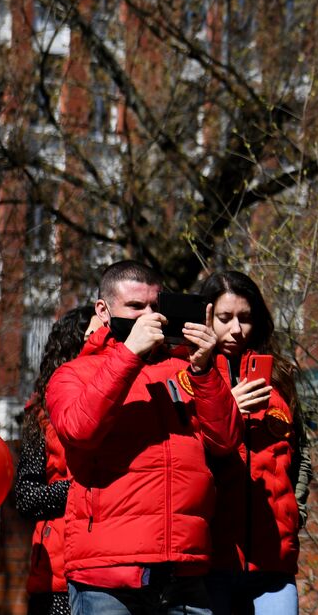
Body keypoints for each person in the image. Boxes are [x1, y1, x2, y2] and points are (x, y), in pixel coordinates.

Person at [45, 261, 239, 615]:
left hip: (183, 569)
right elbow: (79, 430)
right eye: (135, 307)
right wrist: (128, 354)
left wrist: (203, 369)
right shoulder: (73, 374)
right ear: (103, 310)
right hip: (108, 573)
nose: (149, 317)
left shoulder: (185, 369)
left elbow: (224, 441)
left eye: (155, 306)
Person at [198, 270, 310, 615]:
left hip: (273, 557)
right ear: (206, 318)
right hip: (211, 558)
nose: (236, 329)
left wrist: (295, 510)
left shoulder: (280, 376)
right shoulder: (188, 375)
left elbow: (301, 454)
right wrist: (224, 408)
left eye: (245, 318)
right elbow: (180, 453)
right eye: (224, 318)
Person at [13, 304, 101, 615]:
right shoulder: (42, 414)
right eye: (92, 338)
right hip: (59, 574)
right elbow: (26, 496)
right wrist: (78, 491)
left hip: (112, 566)